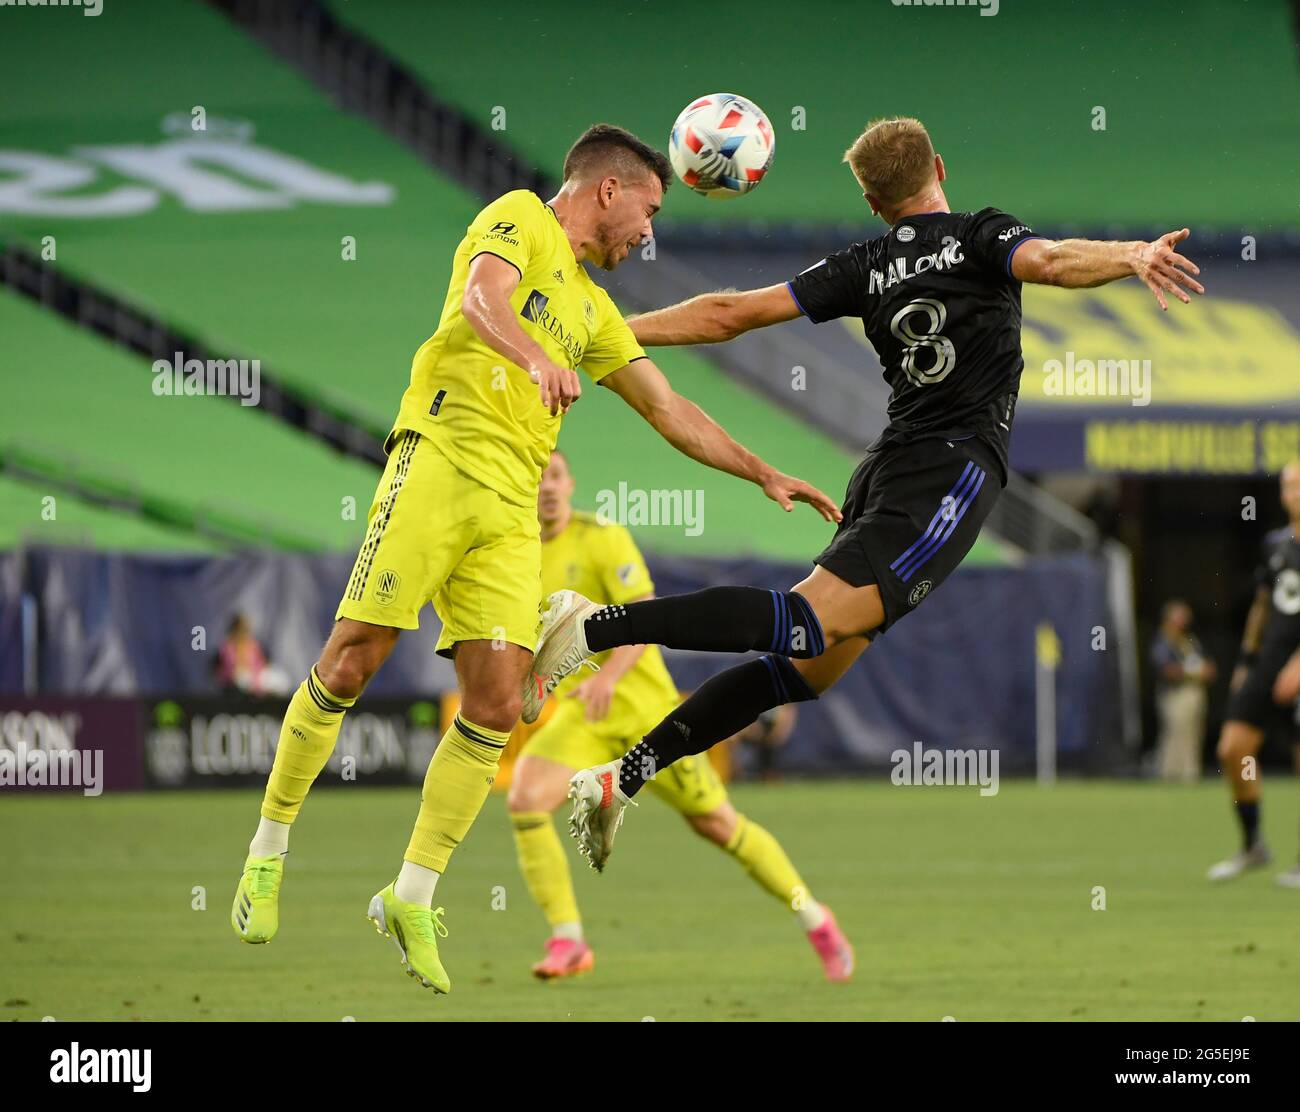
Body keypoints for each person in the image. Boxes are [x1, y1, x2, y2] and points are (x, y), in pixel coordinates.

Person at [228, 123, 840, 994]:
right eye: (650, 211)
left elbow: (670, 409)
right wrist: (531, 356)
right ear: (608, 190)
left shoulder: (591, 310)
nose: (648, 234)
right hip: (440, 457)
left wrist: (763, 472)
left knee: (496, 703)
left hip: (512, 509)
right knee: (354, 658)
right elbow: (483, 299)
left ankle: (410, 894)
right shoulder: (519, 217)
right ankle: (268, 848)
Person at [521, 116, 1205, 871]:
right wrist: (1132, 255)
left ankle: (618, 780)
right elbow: (1050, 259)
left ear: (874, 203)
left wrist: (601, 330)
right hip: (950, 474)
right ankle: (593, 628)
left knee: (803, 670)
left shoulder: (865, 263)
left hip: (888, 465)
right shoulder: (983, 235)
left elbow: (730, 313)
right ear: (938, 167)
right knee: (805, 626)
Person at [507, 450, 852, 980]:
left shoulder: (601, 537)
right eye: (537, 480)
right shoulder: (518, 554)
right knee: (526, 798)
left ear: (570, 482)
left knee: (718, 825)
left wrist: (608, 677)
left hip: (647, 714)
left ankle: (814, 917)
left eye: (554, 476)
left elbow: (639, 613)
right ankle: (569, 939)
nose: (547, 489)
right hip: (584, 718)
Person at [1207, 462, 1300, 887]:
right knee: (1234, 749)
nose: (1293, 492)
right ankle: (1253, 844)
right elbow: (1263, 606)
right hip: (1269, 662)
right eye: (1288, 485)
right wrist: (1246, 661)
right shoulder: (1276, 545)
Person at [1150, 600, 1215, 782]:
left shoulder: (1189, 640)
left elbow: (1209, 667)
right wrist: (1192, 672)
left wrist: (1201, 671)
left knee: (1193, 735)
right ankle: (1170, 774)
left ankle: (1190, 774)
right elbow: (1165, 669)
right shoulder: (1163, 640)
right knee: (1176, 734)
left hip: (1194, 692)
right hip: (1175, 694)